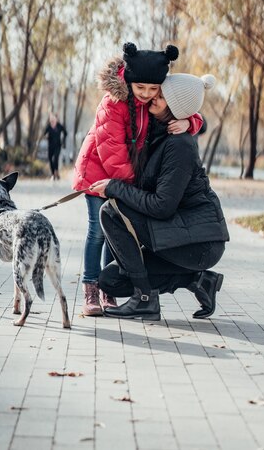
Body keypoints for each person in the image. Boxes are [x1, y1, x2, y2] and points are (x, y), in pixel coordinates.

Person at [72, 43, 204, 317]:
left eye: (153, 89)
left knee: (115, 235)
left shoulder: (152, 102)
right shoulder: (113, 102)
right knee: (98, 230)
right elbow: (112, 155)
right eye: (140, 88)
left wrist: (190, 124)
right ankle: (91, 288)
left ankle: (110, 290)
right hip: (99, 173)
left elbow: (186, 106)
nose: (146, 94)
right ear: (130, 81)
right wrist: (131, 189)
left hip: (124, 181)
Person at [90, 72, 229, 321]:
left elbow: (162, 206)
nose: (153, 97)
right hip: (176, 232)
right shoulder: (156, 130)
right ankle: (198, 279)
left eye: (162, 96)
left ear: (176, 107)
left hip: (200, 243)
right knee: (110, 281)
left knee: (111, 211)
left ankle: (145, 299)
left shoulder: (180, 145)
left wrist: (114, 187)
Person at [44, 113, 67, 180]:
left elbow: (65, 133)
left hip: (58, 145)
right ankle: (53, 173)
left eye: (54, 119)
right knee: (50, 159)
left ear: (56, 119)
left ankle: (56, 172)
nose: (52, 120)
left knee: (56, 158)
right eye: (51, 119)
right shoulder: (48, 126)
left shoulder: (59, 126)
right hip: (50, 146)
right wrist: (46, 136)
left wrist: (63, 141)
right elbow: (45, 133)